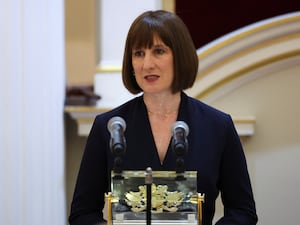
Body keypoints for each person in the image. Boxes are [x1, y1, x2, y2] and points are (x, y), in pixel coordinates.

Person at [69, 10, 258, 225]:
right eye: (138, 53)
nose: (147, 64)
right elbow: (82, 214)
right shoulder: (108, 127)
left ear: (180, 56)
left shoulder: (218, 126)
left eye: (158, 51)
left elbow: (243, 212)